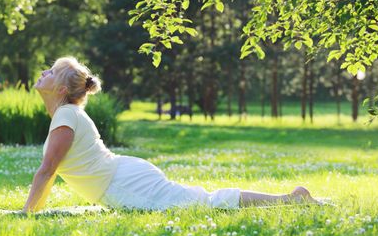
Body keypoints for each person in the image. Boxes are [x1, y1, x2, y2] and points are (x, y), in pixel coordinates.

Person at [22, 56, 318, 213]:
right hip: (123, 178)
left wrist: (27, 214)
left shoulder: (65, 115)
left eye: (51, 71)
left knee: (206, 203)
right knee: (203, 200)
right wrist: (31, 210)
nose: (44, 72)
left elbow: (47, 171)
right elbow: (49, 173)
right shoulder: (66, 115)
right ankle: (289, 199)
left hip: (125, 182)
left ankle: (289, 199)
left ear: (61, 90)